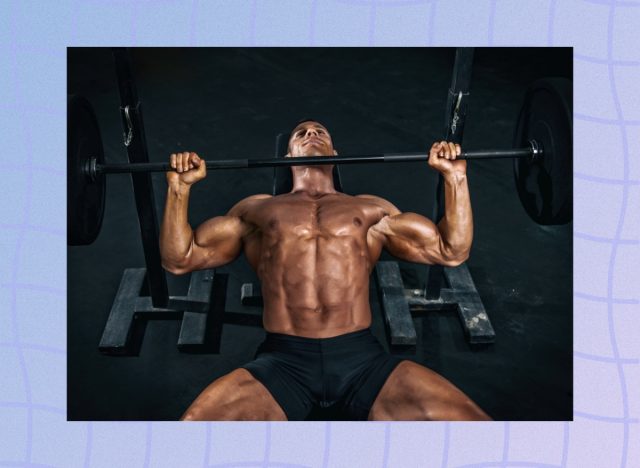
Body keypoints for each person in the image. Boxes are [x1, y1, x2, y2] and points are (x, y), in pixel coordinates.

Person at [159, 120, 491, 421]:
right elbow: (180, 258)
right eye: (301, 134)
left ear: (335, 153)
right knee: (192, 434)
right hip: (283, 362)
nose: (311, 134)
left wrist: (455, 177)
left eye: (320, 132)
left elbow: (451, 250)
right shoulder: (256, 210)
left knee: (473, 427)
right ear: (288, 154)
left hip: (362, 360)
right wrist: (179, 189)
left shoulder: (370, 209)